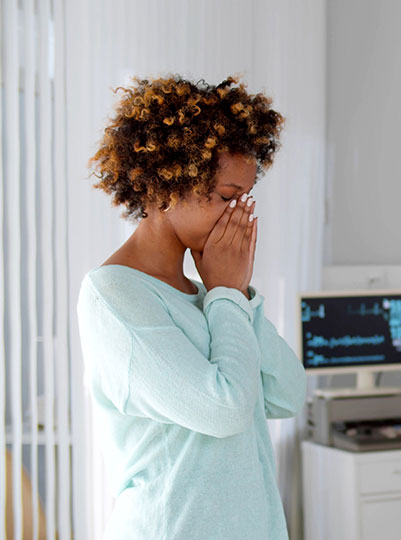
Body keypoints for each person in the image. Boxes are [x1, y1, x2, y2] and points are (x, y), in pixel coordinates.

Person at [77, 76, 306, 540]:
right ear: (166, 183)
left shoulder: (211, 297)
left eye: (245, 198)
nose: (238, 214)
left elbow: (286, 394)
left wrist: (233, 292)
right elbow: (224, 411)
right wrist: (225, 292)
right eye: (226, 197)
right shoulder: (114, 296)